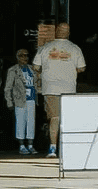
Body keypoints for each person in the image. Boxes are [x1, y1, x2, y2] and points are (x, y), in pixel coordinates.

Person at [32, 23, 86, 151]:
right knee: (68, 118)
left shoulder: (45, 47)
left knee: (54, 118)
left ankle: (52, 148)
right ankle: (67, 147)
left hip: (50, 88)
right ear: (68, 33)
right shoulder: (75, 48)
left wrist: (46, 72)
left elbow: (35, 67)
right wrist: (69, 71)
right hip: (68, 87)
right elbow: (82, 68)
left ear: (56, 32)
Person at [1, 46, 39, 156]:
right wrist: (9, 101)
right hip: (19, 99)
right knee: (21, 122)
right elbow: (8, 87)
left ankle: (30, 145)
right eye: (22, 55)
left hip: (31, 98)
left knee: (31, 122)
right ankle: (22, 145)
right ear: (17, 57)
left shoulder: (32, 69)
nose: (25, 58)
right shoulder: (13, 70)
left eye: (26, 55)